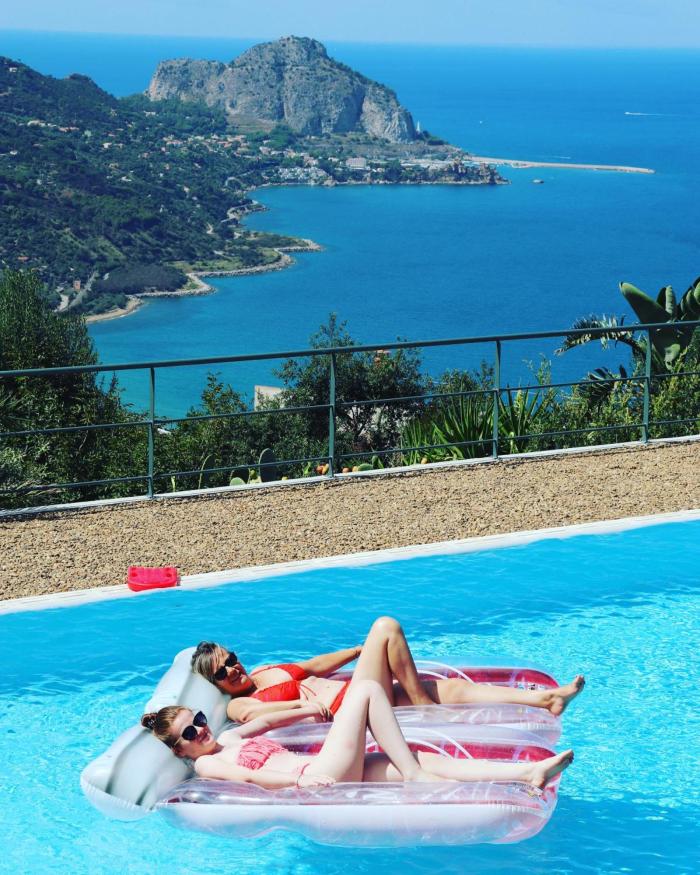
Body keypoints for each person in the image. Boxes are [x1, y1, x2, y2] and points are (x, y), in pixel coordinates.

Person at [141, 677, 574, 791]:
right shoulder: (208, 764)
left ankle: (526, 774)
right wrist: (298, 782)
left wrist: (305, 708)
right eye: (190, 732)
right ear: (180, 750)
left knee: (423, 758)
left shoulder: (229, 740)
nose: (201, 729)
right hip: (316, 775)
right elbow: (251, 777)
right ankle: (415, 776)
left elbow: (265, 723)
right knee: (365, 690)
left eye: (199, 719)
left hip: (328, 766)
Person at [191, 616, 585, 724]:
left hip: (354, 694)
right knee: (386, 626)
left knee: (448, 688)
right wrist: (303, 707)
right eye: (223, 672)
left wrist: (357, 651)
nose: (233, 669)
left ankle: (545, 700)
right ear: (216, 684)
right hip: (346, 710)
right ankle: (424, 709)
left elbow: (311, 666)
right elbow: (259, 715)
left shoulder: (265, 670)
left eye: (231, 659)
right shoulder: (235, 705)